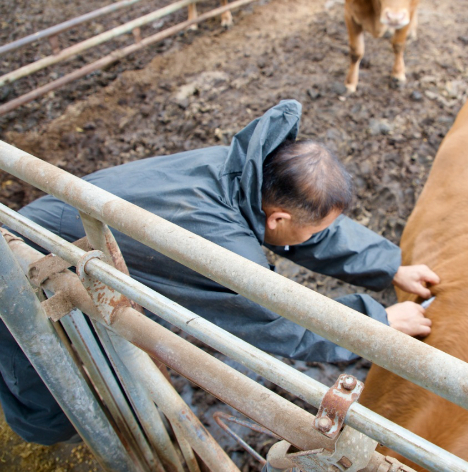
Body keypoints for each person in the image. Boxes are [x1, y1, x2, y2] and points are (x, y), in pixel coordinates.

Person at [0, 99, 439, 445]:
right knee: (46, 379)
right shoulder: (220, 246)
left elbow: (307, 233)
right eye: (315, 227)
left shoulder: (242, 168)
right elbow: (276, 322)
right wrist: (376, 324)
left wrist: (389, 265)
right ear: (280, 219)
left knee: (103, 338)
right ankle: (56, 437)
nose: (317, 235)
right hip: (26, 262)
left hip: (64, 230)